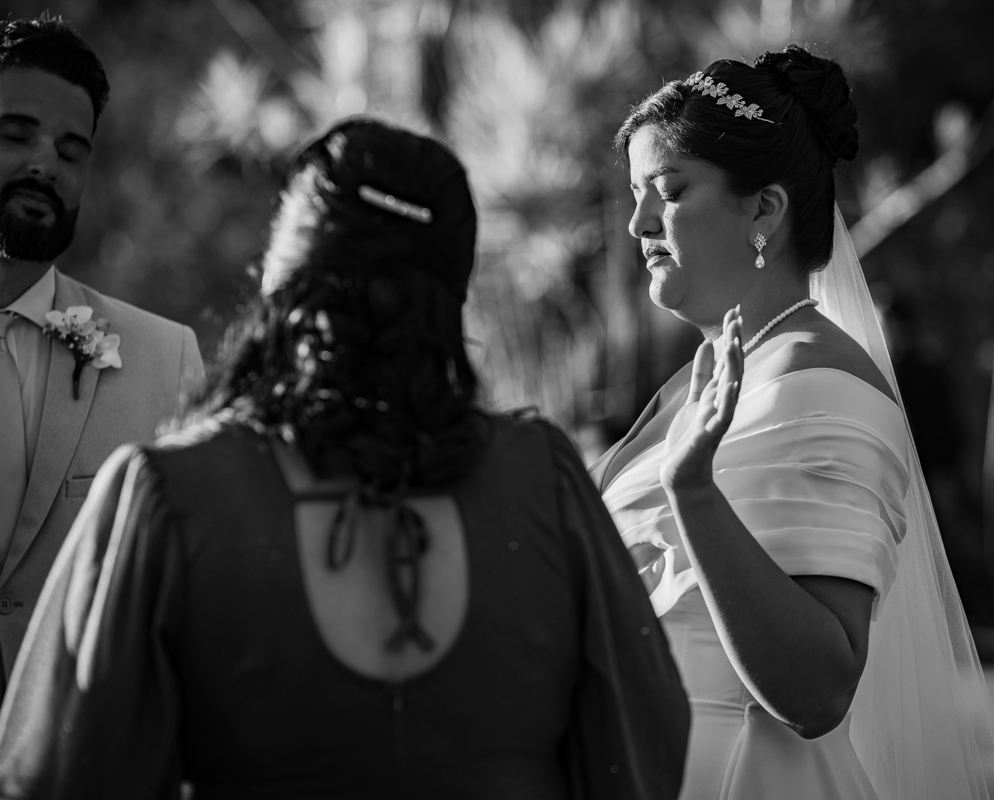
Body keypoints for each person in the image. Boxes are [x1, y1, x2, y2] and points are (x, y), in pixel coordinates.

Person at [0, 119, 690, 798]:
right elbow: (642, 742)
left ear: (280, 279)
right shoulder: (541, 478)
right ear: (450, 298)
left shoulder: (170, 494)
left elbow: (60, 772)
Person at [594, 45, 994, 799]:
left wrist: (693, 492)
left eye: (668, 190)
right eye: (635, 194)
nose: (638, 223)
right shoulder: (701, 380)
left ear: (764, 208)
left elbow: (819, 691)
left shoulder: (821, 386)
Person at [0, 14, 203, 691]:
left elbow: (190, 597)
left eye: (71, 149)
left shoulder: (165, 361)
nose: (45, 165)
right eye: (15, 134)